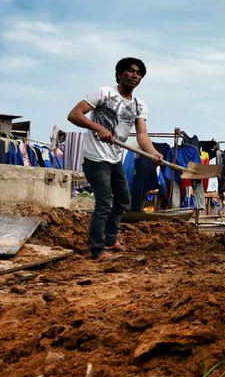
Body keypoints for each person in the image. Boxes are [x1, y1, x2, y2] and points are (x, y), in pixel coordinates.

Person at [67, 57, 163, 261]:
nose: (135, 75)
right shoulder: (102, 93)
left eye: (139, 73)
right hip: (95, 159)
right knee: (104, 202)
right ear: (119, 74)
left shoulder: (139, 105)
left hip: (115, 159)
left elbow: (142, 135)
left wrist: (153, 152)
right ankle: (97, 250)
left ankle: (110, 240)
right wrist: (98, 127)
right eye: (131, 71)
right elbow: (74, 115)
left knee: (122, 200)